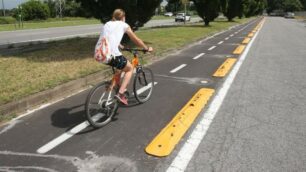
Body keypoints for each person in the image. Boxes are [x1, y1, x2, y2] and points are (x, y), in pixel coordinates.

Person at [99, 9, 153, 105]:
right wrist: (146, 48)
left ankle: (113, 85)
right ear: (123, 17)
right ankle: (120, 93)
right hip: (111, 55)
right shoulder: (124, 25)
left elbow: (108, 36)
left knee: (120, 68)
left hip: (99, 54)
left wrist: (119, 45)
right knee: (129, 68)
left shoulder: (108, 24)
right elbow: (136, 40)